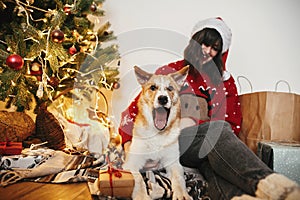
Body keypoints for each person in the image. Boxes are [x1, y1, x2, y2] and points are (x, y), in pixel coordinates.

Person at [118, 17, 300, 199]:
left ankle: (239, 197)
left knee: (213, 160)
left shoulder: (225, 83)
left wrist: (195, 124)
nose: (207, 51)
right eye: (204, 44)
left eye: (215, 48)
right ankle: (273, 185)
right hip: (172, 144)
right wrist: (129, 147)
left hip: (206, 147)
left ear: (221, 53)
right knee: (215, 132)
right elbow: (133, 111)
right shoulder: (171, 73)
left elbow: (232, 124)